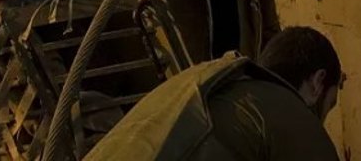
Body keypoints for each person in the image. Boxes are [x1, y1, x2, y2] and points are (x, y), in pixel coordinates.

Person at [83, 26, 342, 160]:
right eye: (329, 105)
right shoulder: (291, 113)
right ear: (317, 82)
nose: (322, 119)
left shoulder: (202, 79)